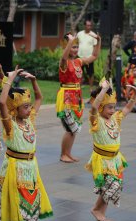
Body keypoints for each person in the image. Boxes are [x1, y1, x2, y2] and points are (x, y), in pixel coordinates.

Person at [0, 67, 53, 221]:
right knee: (17, 209)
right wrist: (10, 79)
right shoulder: (10, 125)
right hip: (15, 169)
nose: (30, 109)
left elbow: (39, 98)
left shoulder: (30, 121)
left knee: (30, 208)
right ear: (15, 109)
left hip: (31, 168)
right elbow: (2, 101)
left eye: (29, 106)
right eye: (25, 106)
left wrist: (34, 81)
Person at [86, 78, 136, 221]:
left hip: (115, 159)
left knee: (112, 187)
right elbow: (93, 107)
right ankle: (97, 209)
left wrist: (135, 95)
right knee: (111, 186)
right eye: (109, 107)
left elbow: (127, 109)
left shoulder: (115, 118)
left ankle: (100, 212)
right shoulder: (96, 120)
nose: (112, 111)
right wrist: (103, 90)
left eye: (113, 107)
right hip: (102, 160)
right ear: (101, 106)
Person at [56, 33, 101, 163]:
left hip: (76, 96)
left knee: (73, 129)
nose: (75, 50)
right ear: (67, 47)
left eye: (76, 47)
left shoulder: (78, 61)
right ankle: (63, 154)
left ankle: (68, 153)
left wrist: (98, 41)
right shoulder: (63, 63)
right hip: (66, 97)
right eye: (72, 47)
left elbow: (94, 56)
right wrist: (70, 41)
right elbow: (64, 57)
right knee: (70, 128)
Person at [76, 20, 98, 92]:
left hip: (89, 58)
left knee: (90, 73)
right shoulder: (79, 34)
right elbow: (76, 44)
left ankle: (90, 87)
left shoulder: (93, 35)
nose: (89, 27)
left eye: (90, 25)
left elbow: (95, 47)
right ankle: (79, 86)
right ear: (84, 26)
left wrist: (93, 56)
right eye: (88, 25)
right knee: (79, 72)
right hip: (80, 57)